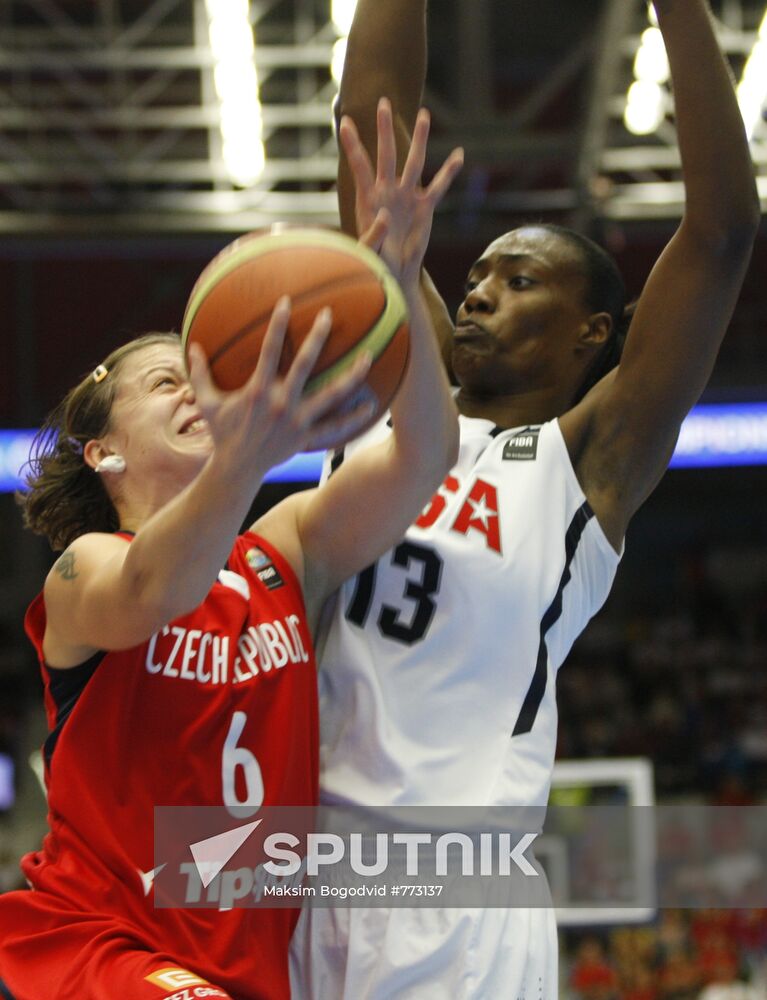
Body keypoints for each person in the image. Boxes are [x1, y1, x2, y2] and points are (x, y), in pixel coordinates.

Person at [289, 1, 760, 997]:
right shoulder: (394, 388)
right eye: (472, 276)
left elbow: (720, 233)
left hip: (460, 904)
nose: (475, 293)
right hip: (303, 886)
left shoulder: (585, 461)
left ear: (591, 332)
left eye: (515, 278)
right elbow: (369, 134)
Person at [0, 110, 463, 1000]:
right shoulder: (82, 570)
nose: (199, 392)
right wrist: (247, 454)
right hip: (99, 941)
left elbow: (422, 457)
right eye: (169, 383)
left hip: (240, 965)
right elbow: (151, 591)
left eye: (209, 372)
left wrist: (398, 281)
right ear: (105, 453)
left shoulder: (278, 552)